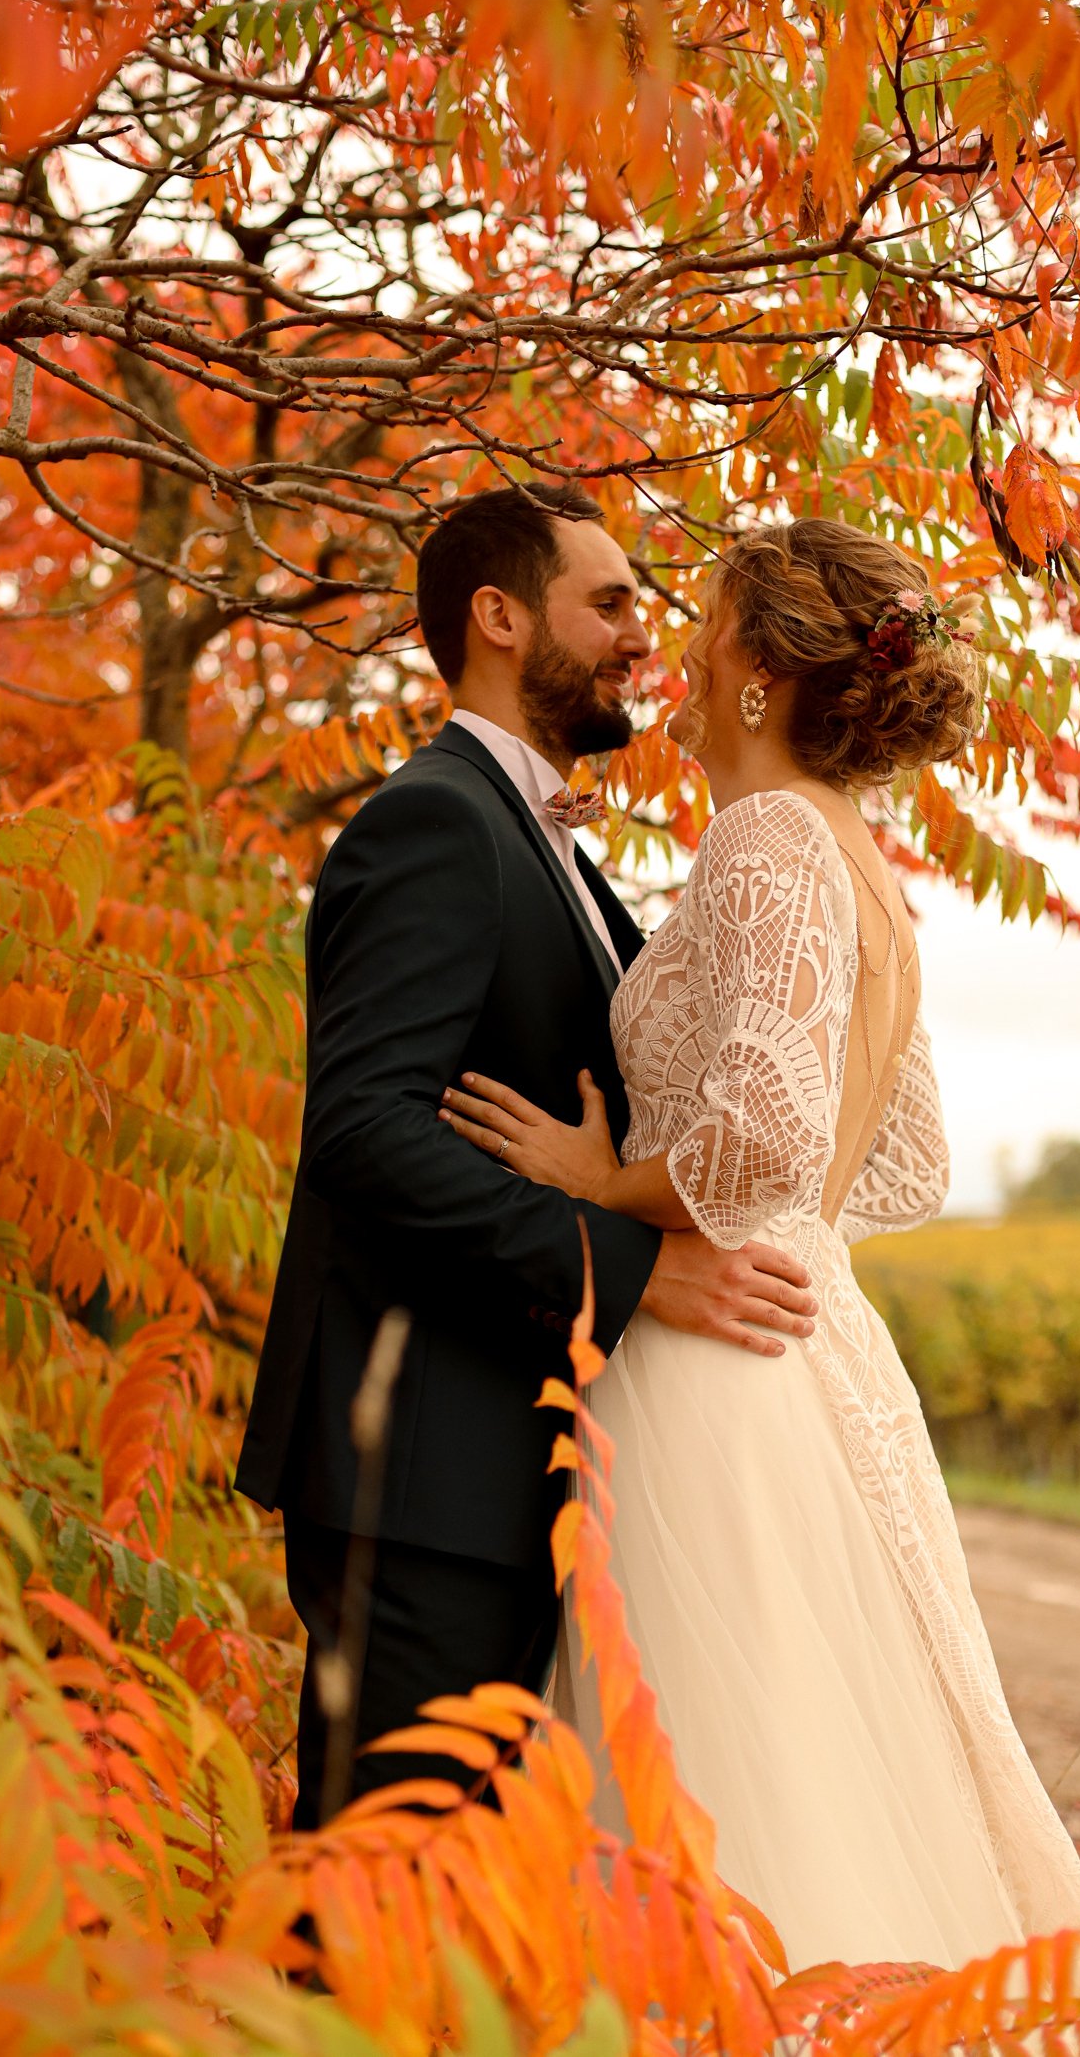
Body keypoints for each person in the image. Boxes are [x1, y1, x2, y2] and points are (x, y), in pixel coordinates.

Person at [439, 518, 1080, 1970]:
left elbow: (760, 1140)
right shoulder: (866, 863)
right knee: (819, 1744)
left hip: (716, 1362)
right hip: (818, 1341)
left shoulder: (762, 837)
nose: (673, 649)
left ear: (754, 670)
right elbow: (911, 1159)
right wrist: (773, 1209)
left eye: (703, 624)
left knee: (716, 1768)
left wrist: (596, 1178)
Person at [234, 482, 818, 1830]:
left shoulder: (550, 847)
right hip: (421, 1467)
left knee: (468, 1911)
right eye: (609, 602)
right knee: (383, 1892)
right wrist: (631, 1267)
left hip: (511, 1460)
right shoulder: (435, 822)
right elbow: (366, 1133)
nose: (640, 634)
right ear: (499, 617)